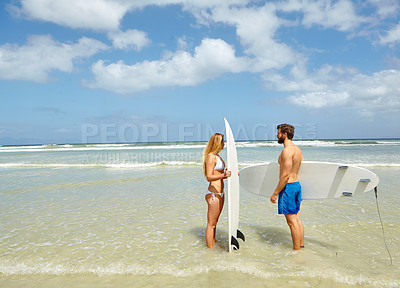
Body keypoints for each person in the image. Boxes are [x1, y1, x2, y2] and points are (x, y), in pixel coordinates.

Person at [270, 124, 304, 250]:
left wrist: (275, 193)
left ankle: (297, 251)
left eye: (278, 133)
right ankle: (301, 245)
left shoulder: (287, 151)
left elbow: (285, 176)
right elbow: (302, 168)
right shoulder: (298, 150)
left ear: (285, 135)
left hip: (288, 188)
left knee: (291, 222)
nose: (276, 135)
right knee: (296, 218)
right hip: (296, 186)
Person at [202, 133, 231, 249]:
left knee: (215, 223)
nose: (224, 144)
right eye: (223, 142)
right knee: (211, 224)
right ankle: (210, 251)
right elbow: (209, 177)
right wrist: (224, 174)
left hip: (220, 192)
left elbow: (218, 174)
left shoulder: (218, 156)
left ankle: (213, 244)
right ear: (218, 143)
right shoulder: (211, 157)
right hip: (213, 193)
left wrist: (229, 174)